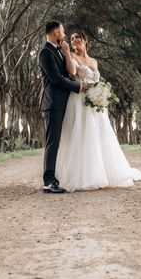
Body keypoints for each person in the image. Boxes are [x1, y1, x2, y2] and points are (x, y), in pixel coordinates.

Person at [54, 30, 141, 191]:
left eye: (78, 38)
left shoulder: (93, 61)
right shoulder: (72, 57)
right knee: (81, 134)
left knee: (99, 136)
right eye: (72, 38)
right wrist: (67, 53)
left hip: (96, 103)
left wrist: (101, 94)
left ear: (85, 41)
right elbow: (72, 72)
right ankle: (83, 175)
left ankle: (103, 172)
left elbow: (96, 80)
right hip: (79, 99)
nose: (74, 40)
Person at [38, 21, 88, 194]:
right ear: (56, 33)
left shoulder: (58, 51)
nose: (65, 35)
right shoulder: (45, 53)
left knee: (60, 141)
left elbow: (69, 73)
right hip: (53, 104)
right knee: (53, 142)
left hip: (63, 103)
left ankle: (56, 178)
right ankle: (48, 183)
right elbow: (56, 79)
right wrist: (78, 87)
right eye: (63, 32)